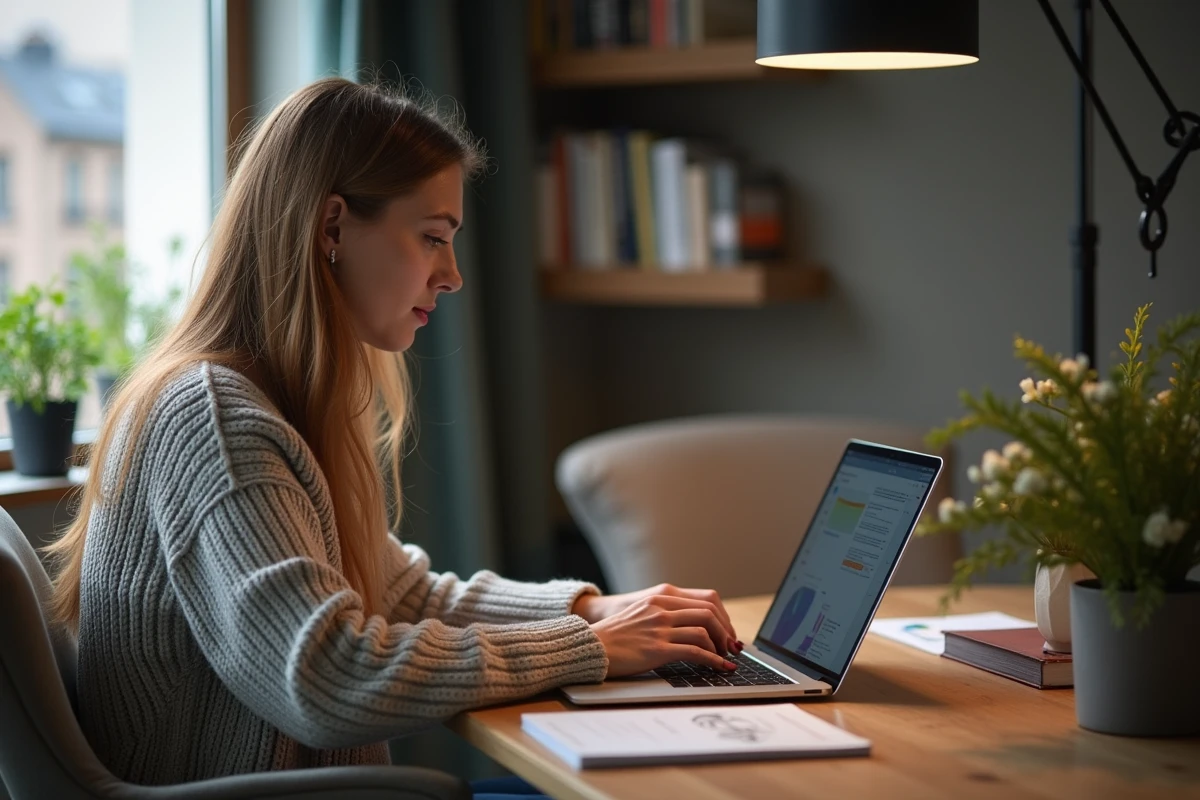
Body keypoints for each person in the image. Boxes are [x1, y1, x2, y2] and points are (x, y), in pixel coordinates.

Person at [43, 78, 743, 799]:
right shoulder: (214, 420)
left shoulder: (267, 402)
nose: (453, 276)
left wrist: (592, 611)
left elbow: (399, 594)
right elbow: (325, 675)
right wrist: (587, 649)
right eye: (433, 238)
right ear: (332, 228)